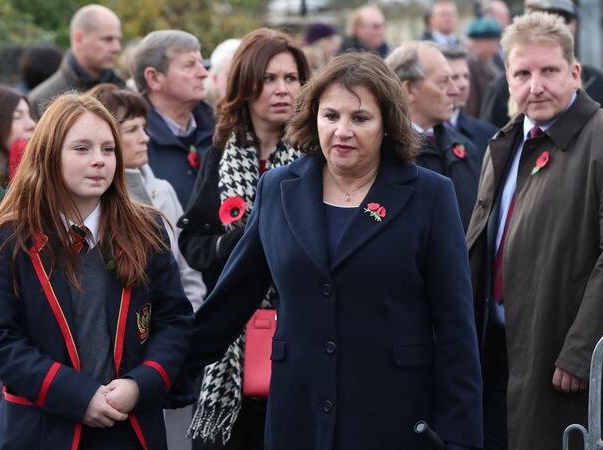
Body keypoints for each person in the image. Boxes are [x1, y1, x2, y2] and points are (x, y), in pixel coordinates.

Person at [174, 50, 482, 450]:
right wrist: (161, 374)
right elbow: (231, 300)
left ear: (387, 123)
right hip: (297, 416)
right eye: (331, 116)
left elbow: (456, 325)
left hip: (394, 418)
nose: (342, 131)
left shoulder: (429, 194)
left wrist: (461, 438)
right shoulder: (279, 189)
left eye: (360, 118)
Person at [465, 12, 603, 449]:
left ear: (574, 73)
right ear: (506, 80)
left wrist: (581, 351)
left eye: (549, 71)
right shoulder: (505, 141)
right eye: (522, 73)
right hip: (499, 352)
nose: (536, 85)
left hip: (568, 359)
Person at [0, 93, 194, 449]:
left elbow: (173, 320)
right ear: (49, 156)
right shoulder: (12, 237)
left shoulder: (145, 227)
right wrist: (79, 396)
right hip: (47, 427)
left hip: (131, 424)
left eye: (108, 150)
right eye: (82, 149)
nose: (99, 161)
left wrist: (140, 383)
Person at [177, 28, 308, 450]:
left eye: (291, 78)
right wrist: (229, 248)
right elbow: (193, 238)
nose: (282, 90)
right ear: (245, 86)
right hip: (233, 336)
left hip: (298, 327)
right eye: (269, 79)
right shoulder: (220, 151)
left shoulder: (317, 156)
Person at [87, 83, 206, 450]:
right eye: (131, 130)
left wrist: (184, 329)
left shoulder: (161, 191)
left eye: (145, 127)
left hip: (161, 357)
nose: (144, 138)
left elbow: (185, 275)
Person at [386, 41, 482, 231]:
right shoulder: (385, 154)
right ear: (409, 89)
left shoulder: (464, 147)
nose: (455, 90)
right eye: (443, 82)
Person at [479, 0, 603, 129]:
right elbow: (492, 140)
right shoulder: (500, 88)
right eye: (544, 17)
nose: (536, 88)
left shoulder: (597, 81)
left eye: (563, 19)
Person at [132, 29, 214, 208]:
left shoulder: (222, 129)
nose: (203, 73)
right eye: (189, 65)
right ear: (154, 78)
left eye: (200, 62)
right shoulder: (130, 142)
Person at [28, 4, 124, 116]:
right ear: (79, 39)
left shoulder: (124, 92)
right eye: (108, 39)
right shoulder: (41, 101)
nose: (117, 48)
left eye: (118, 39)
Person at [441, 45, 498, 154]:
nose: (464, 84)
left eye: (466, 76)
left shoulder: (489, 134)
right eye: (454, 77)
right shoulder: (422, 135)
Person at [463, 18, 504, 119]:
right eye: (494, 43)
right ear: (481, 42)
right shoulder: (469, 66)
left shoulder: (486, 62)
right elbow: (471, 108)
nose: (496, 49)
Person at [205, 39, 242, 106]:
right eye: (231, 77)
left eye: (245, 76)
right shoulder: (198, 113)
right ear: (215, 79)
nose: (240, 83)